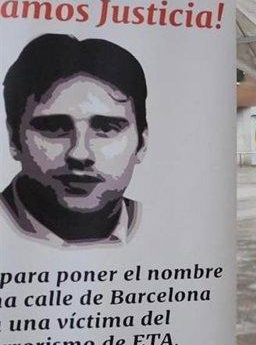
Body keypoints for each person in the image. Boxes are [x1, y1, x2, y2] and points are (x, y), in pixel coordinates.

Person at [1, 33, 147, 246]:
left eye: (106, 128)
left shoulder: (169, 229)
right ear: (14, 140)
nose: (80, 154)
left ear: (141, 144)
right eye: (54, 128)